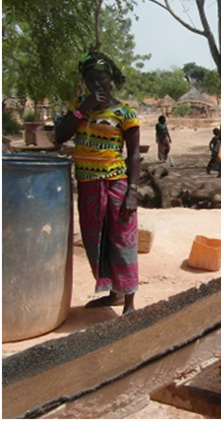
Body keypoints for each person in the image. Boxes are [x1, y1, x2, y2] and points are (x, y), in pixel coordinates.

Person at [55, 51, 140, 315]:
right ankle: (113, 294)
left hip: (117, 185)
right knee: (96, 241)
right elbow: (60, 135)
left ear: (111, 80)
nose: (96, 85)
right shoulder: (77, 106)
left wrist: (132, 192)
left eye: (101, 79)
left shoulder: (125, 112)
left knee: (122, 241)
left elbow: (134, 155)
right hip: (88, 185)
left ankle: (129, 303)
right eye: (90, 80)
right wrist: (83, 108)